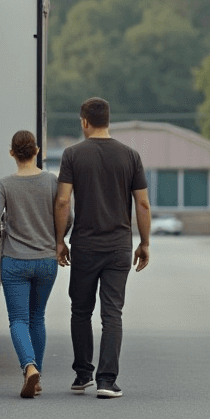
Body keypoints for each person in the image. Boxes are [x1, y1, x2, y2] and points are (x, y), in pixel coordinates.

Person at [54, 97, 150, 399]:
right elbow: (143, 203)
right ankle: (107, 381)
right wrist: (144, 242)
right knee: (112, 313)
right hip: (119, 246)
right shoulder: (130, 156)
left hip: (85, 245)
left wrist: (60, 239)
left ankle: (83, 375)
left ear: (84, 122)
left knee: (80, 310)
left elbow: (62, 200)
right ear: (108, 120)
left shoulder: (72, 155)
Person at [0, 130, 60, 398]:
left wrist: (0, 238)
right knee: (37, 317)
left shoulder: (5, 184)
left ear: (12, 153)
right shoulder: (51, 182)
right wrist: (57, 239)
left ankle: (29, 367)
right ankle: (36, 377)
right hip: (46, 261)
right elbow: (68, 214)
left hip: (15, 261)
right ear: (37, 151)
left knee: (18, 319)